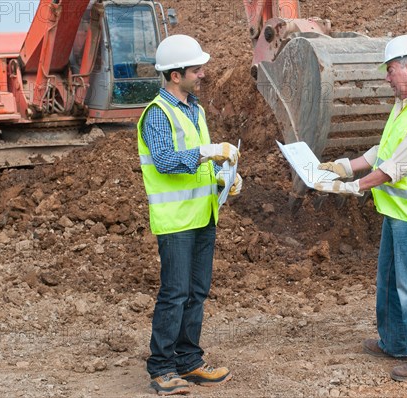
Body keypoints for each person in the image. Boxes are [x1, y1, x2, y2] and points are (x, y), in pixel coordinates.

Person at [315, 34, 407, 382]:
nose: (386, 77)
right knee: (389, 281)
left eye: (390, 70)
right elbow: (385, 149)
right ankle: (395, 342)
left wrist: (351, 186)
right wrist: (347, 165)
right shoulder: (406, 103)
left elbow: (394, 168)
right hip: (397, 212)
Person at [136, 34, 242, 395]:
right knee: (175, 293)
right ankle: (162, 367)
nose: (202, 73)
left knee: (196, 292)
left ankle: (189, 361)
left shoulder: (194, 108)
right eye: (196, 69)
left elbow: (199, 165)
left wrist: (224, 177)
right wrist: (208, 152)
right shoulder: (157, 114)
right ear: (175, 75)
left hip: (203, 215)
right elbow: (166, 162)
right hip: (177, 221)